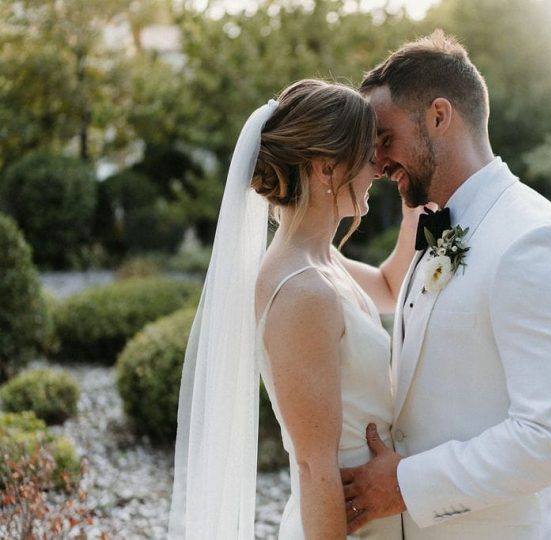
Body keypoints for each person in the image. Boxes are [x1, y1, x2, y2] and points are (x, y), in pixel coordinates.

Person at [339, 31, 551, 540]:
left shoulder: (535, 240)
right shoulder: (435, 224)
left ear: (440, 117)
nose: (376, 163)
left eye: (385, 138)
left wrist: (403, 485)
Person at [168, 79, 416, 540]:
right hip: (346, 522)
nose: (377, 168)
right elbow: (312, 464)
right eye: (367, 157)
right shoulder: (303, 290)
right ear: (325, 169)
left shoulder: (323, 261)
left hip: (380, 509)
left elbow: (387, 285)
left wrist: (413, 209)